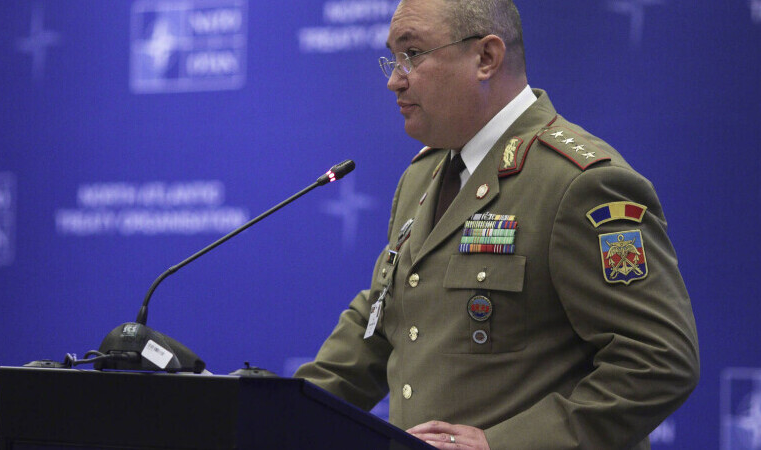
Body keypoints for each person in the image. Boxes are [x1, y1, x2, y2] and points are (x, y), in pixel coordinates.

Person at [294, 0, 700, 448]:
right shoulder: (422, 176)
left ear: (486, 58)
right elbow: (380, 320)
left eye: (413, 54)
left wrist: (501, 445)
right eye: (393, 57)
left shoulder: (578, 182)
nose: (394, 79)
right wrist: (276, 409)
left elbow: (659, 361)